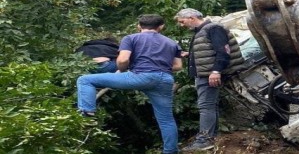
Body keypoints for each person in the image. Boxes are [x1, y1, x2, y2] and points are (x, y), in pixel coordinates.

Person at [76, 14, 183, 154]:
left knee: (84, 80)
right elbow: (177, 66)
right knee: (166, 119)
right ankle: (170, 151)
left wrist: (122, 69)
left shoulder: (131, 38)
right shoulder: (172, 42)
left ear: (139, 26)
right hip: (164, 80)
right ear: (161, 27)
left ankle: (87, 111)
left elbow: (123, 60)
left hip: (140, 76)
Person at [175, 8, 244, 152]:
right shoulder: (204, 30)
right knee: (209, 105)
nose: (182, 25)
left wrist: (216, 71)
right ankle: (210, 137)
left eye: (182, 21)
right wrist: (192, 55)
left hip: (208, 75)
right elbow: (210, 50)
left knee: (205, 106)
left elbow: (223, 51)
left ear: (192, 18)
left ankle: (205, 140)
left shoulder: (213, 28)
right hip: (207, 73)